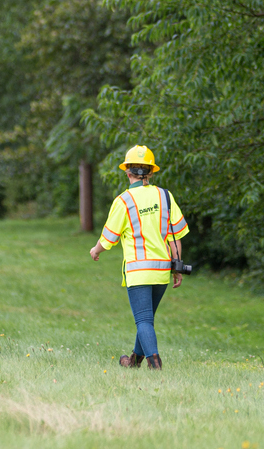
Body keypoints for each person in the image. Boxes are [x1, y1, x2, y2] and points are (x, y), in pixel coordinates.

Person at [89, 145, 189, 370]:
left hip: (138, 271)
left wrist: (95, 250)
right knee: (147, 318)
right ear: (151, 173)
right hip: (162, 270)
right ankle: (134, 360)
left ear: (127, 171)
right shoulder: (165, 196)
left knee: (143, 320)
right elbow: (176, 236)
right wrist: (178, 267)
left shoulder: (123, 201)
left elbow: (108, 238)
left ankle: (156, 364)